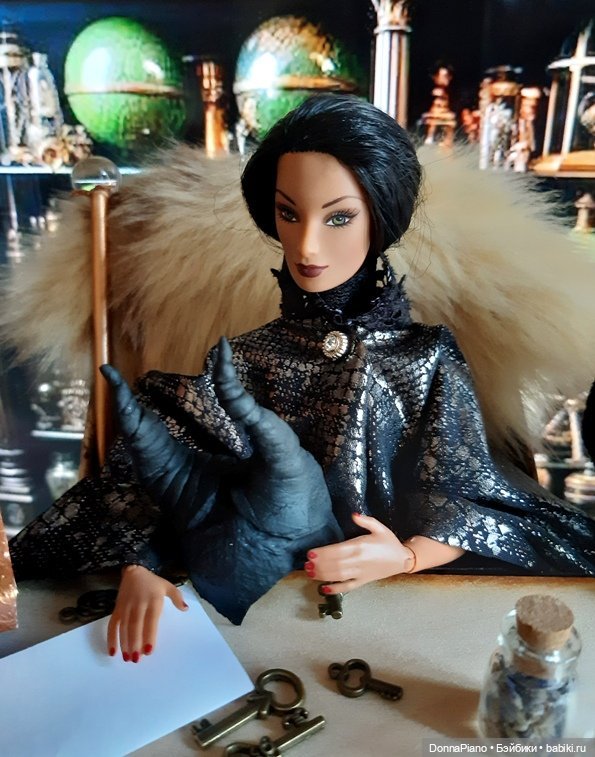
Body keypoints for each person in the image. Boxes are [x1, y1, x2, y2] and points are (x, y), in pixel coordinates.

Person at [9, 94, 595, 664]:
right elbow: (179, 471)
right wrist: (144, 563)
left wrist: (406, 557)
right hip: (263, 620)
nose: (308, 245)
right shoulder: (246, 357)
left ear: (379, 219)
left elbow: (463, 494)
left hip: (400, 622)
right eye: (289, 214)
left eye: (339, 217)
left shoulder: (427, 357)